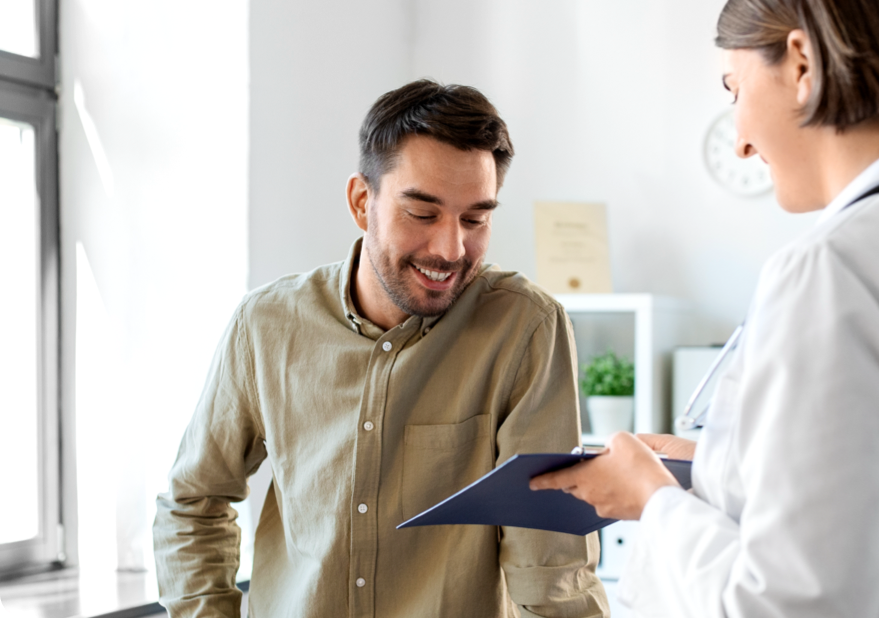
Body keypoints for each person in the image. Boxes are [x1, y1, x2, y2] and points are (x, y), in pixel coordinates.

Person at [532, 1, 879, 617]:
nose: (741, 141)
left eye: (734, 89)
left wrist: (652, 498)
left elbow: (790, 604)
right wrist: (730, 464)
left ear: (802, 62)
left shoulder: (836, 270)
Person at [154, 79, 609, 618]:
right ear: (361, 201)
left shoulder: (525, 328)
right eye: (423, 213)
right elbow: (193, 502)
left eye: (475, 219)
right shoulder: (266, 325)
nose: (450, 249)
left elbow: (551, 563)